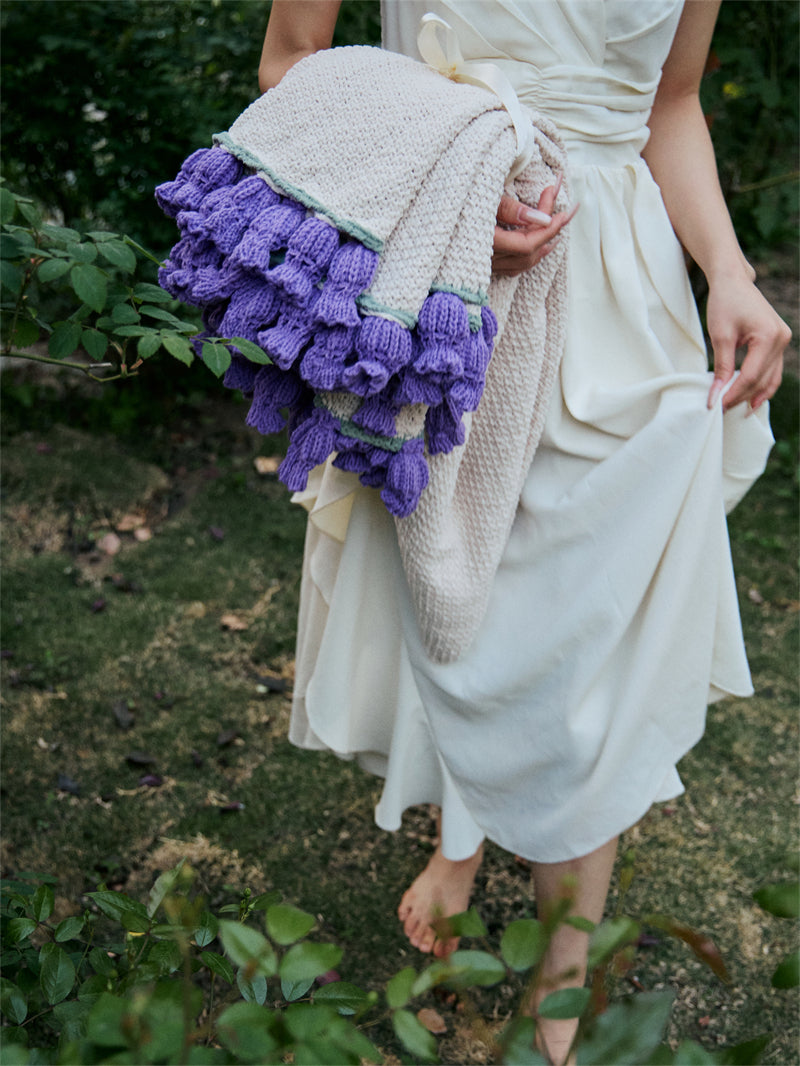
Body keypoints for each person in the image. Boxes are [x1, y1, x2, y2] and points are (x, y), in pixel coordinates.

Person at [258, 2, 790, 1062]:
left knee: (587, 648)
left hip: (623, 300)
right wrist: (433, 179)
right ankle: (462, 831)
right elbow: (289, 65)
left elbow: (668, 102)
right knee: (455, 594)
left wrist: (726, 268)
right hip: (444, 275)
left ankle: (557, 983)